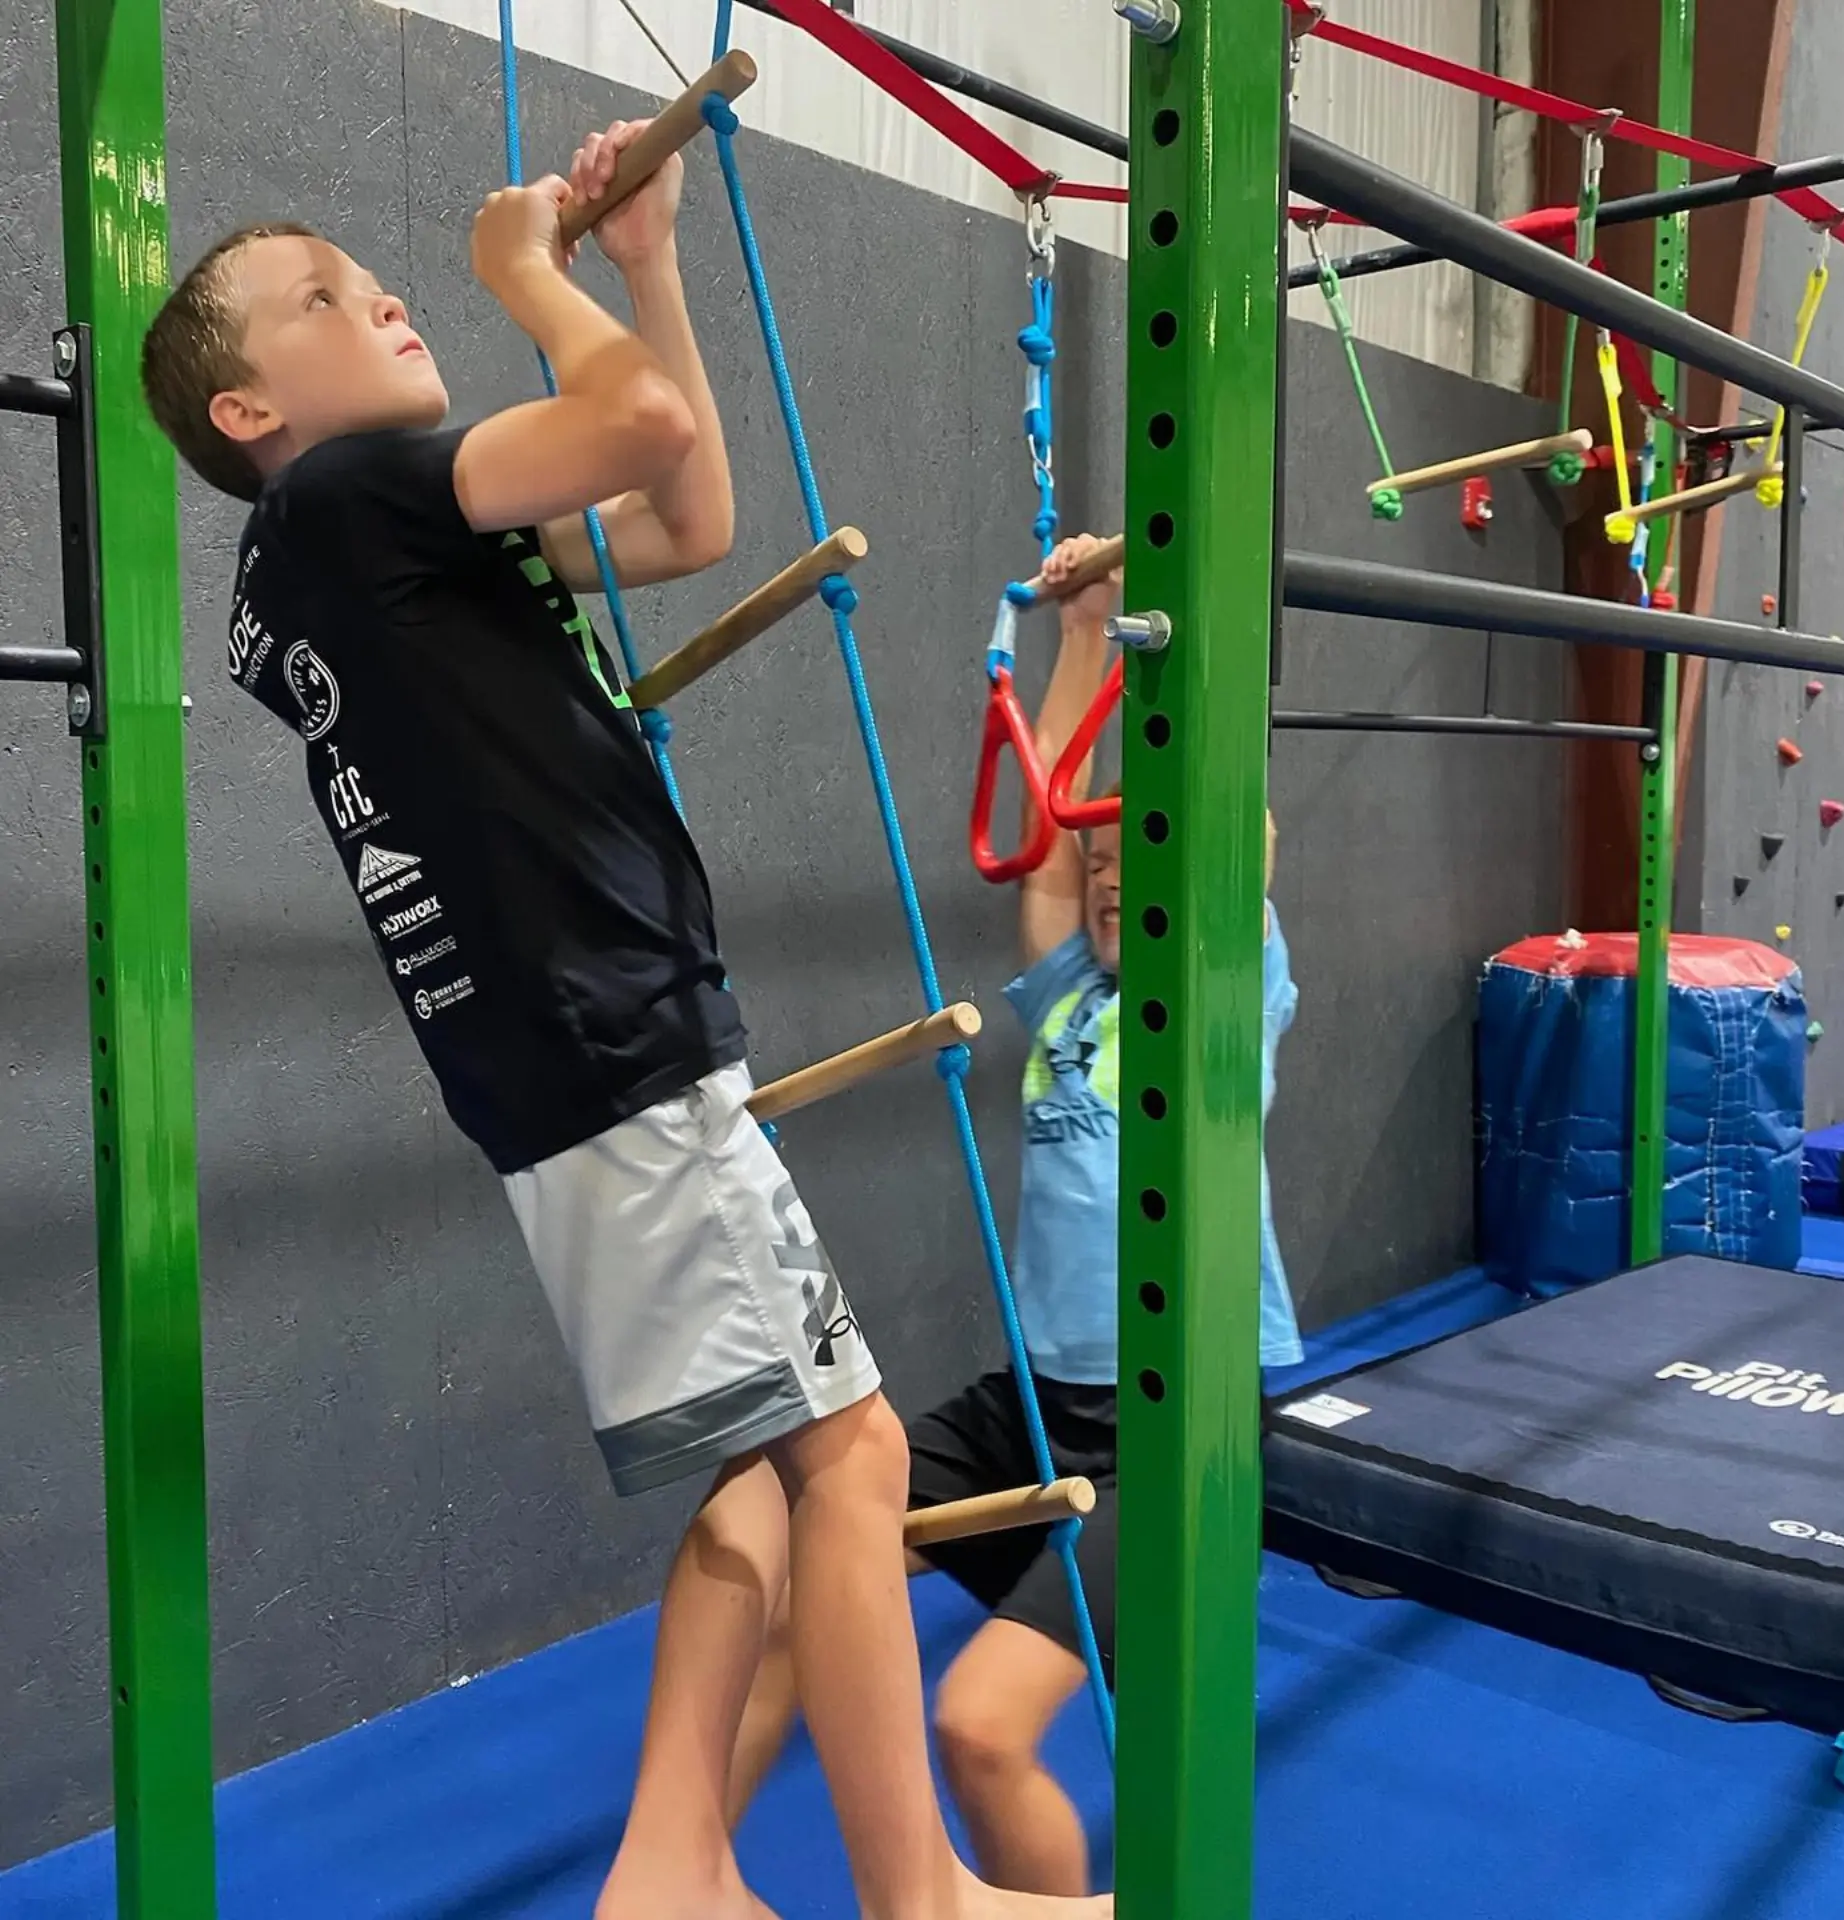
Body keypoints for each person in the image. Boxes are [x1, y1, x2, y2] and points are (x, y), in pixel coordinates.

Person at [140, 118, 1110, 1920]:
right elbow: (649, 434)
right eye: (340, 298)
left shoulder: (365, 554)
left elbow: (693, 521)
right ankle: (927, 1899)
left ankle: (670, 1869)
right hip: (609, 1041)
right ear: (254, 412)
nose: (396, 298)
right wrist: (535, 277)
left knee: (756, 1473)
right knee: (857, 1451)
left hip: (561, 1065)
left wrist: (649, 265)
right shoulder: (349, 503)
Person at [726, 532, 1301, 1894]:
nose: (1108, 887)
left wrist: (1168, 626)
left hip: (1187, 1422)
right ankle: (680, 1859)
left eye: (1134, 875)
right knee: (796, 1537)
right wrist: (1084, 633)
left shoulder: (1223, 1000)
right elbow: (1044, 834)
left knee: (978, 1731)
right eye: (1096, 881)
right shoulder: (1068, 1001)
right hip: (1037, 1405)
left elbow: (1231, 834)